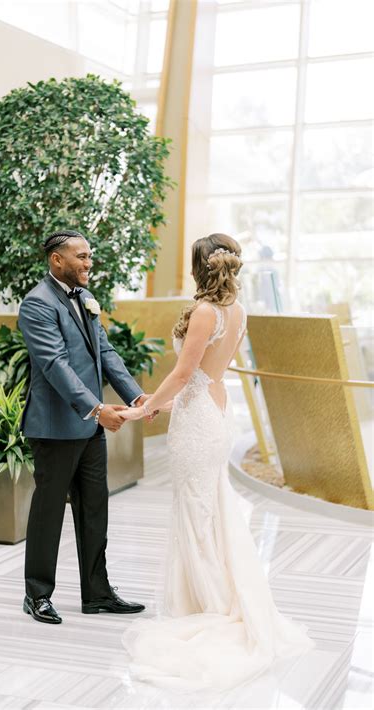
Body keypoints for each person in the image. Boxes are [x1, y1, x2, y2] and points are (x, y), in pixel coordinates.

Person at [121, 233, 313, 690]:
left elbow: (185, 372)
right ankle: (217, 597)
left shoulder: (206, 312)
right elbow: (206, 373)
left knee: (196, 510)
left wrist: (141, 409)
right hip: (213, 409)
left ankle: (207, 606)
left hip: (197, 419)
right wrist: (160, 403)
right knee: (208, 508)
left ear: (198, 268)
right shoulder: (237, 311)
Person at [18, 229, 148, 624]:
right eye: (81, 257)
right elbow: (55, 366)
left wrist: (135, 397)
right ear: (57, 260)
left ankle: (98, 593)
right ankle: (37, 595)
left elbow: (104, 352)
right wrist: (96, 410)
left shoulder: (87, 298)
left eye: (90, 256)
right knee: (49, 511)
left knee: (95, 508)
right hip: (56, 427)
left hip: (90, 428)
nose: (89, 263)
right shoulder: (37, 305)